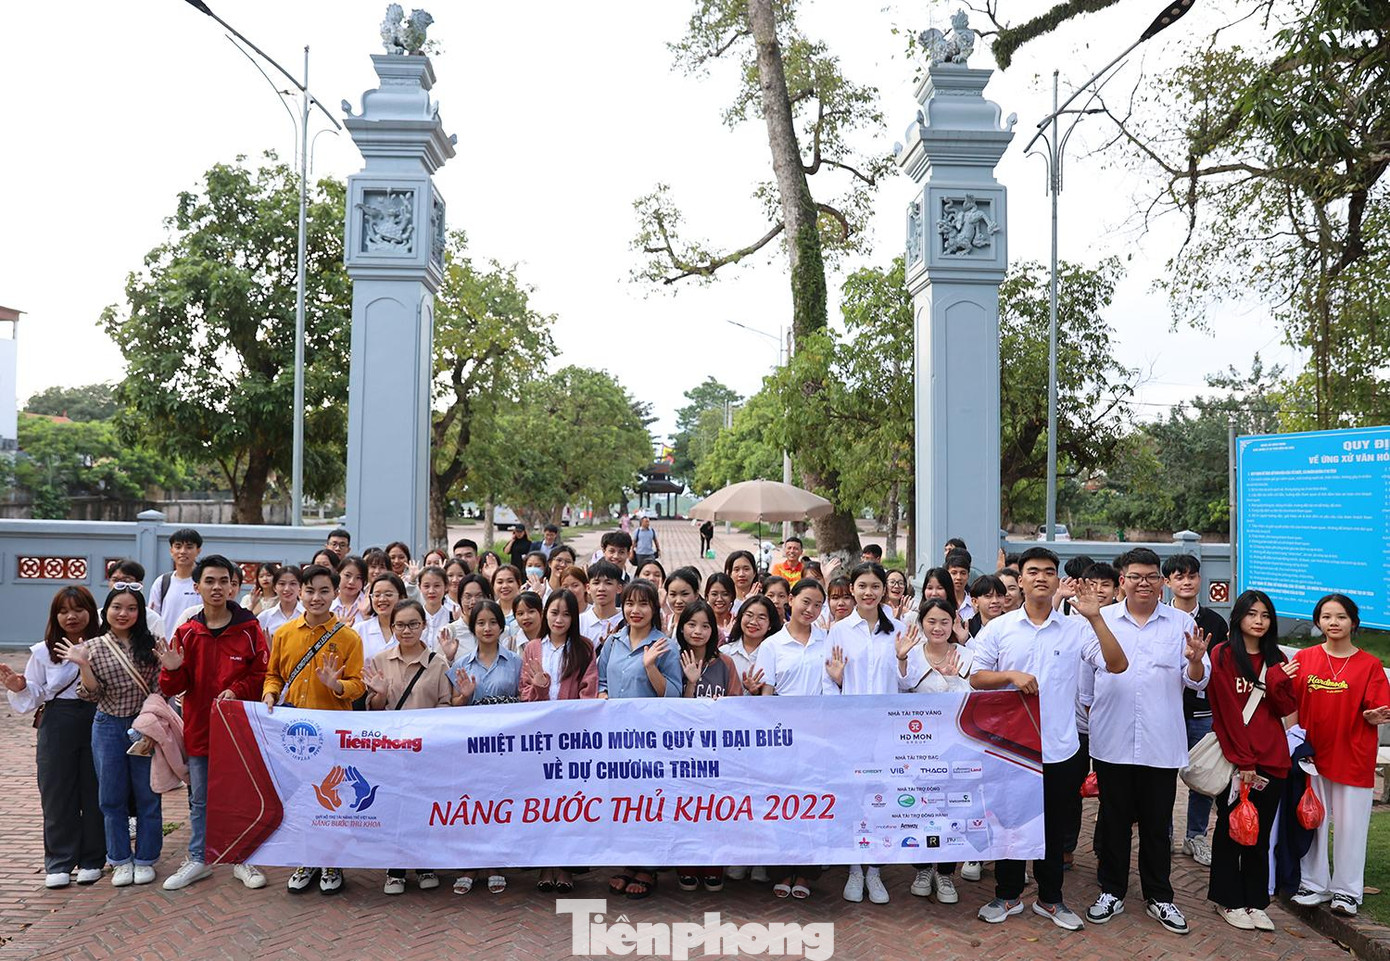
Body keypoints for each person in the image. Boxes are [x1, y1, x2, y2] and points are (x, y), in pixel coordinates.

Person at [969, 546, 1128, 931]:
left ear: (1058, 580)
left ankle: (1050, 899)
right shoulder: (1000, 628)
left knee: (1053, 829)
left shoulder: (1076, 629)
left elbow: (1117, 664)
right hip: (1011, 748)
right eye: (1033, 571)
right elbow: (975, 677)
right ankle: (1008, 895)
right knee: (1010, 824)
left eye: (1049, 571)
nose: (1041, 577)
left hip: (1060, 748)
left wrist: (1095, 618)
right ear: (1019, 581)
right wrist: (1010, 676)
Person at [157, 555, 269, 892]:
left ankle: (243, 857)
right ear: (197, 587)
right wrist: (172, 669)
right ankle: (199, 858)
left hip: (239, 730)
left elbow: (261, 674)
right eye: (210, 581)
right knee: (201, 798)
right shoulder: (187, 633)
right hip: (201, 727)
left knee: (241, 795)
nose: (217, 587)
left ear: (233, 586)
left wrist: (237, 690)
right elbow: (172, 688)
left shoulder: (249, 629)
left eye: (224, 581)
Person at [824, 562, 926, 905]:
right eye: (862, 586)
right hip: (850, 729)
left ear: (884, 590)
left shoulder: (898, 629)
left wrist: (902, 659)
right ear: (852, 589)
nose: (868, 592)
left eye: (875, 586)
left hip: (886, 730)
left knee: (882, 799)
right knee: (854, 798)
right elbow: (828, 683)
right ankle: (855, 868)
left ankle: (876, 870)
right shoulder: (839, 630)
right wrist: (839, 679)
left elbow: (909, 683)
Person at [262, 563, 364, 894]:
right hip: (294, 734)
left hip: (332, 733)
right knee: (300, 798)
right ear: (300, 593)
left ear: (335, 593)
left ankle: (332, 862)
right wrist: (270, 693)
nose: (316, 597)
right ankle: (307, 859)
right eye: (309, 590)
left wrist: (337, 685)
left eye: (324, 591)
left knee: (332, 799)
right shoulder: (284, 634)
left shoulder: (349, 638)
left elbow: (358, 685)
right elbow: (274, 674)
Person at [1289, 594, 1390, 916]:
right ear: (1318, 622)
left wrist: (1373, 715)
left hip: (1353, 754)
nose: (1334, 622)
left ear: (1354, 622)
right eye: (1327, 616)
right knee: (1312, 820)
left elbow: (1378, 707)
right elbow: (1289, 702)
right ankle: (1313, 884)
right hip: (1312, 756)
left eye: (1341, 617)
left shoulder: (1369, 665)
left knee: (1351, 826)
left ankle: (1347, 892)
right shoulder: (1304, 658)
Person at [0, 587, 104, 888]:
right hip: (58, 721)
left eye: (78, 609)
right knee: (56, 791)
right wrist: (20, 686)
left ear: (90, 611)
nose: (71, 616)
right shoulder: (43, 652)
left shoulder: (103, 646)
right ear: (55, 616)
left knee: (94, 789)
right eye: (63, 611)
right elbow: (35, 693)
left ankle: (93, 859)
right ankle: (60, 860)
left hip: (98, 718)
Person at [1205, 590, 1297, 930]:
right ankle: (1227, 899)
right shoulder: (1223, 655)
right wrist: (1244, 761)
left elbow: (1285, 708)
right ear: (1238, 617)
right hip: (1238, 760)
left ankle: (1256, 901)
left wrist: (1277, 680)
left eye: (1265, 615)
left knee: (1259, 834)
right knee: (1231, 831)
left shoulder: (1278, 657)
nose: (1259, 621)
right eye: (1252, 614)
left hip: (1273, 759)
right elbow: (1226, 712)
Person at [66, 586, 164, 887]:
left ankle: (146, 858)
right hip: (108, 726)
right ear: (106, 611)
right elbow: (90, 694)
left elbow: (161, 689)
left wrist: (150, 724)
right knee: (111, 797)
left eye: (131, 608)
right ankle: (120, 859)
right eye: (117, 607)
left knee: (148, 795)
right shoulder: (92, 647)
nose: (123, 614)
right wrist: (84, 665)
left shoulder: (151, 644)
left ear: (140, 613)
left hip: (144, 725)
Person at [361, 599, 455, 896]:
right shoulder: (379, 661)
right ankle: (395, 868)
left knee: (423, 806)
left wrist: (426, 729)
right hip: (391, 750)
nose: (406, 630)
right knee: (394, 806)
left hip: (426, 750)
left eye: (413, 624)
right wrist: (379, 695)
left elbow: (445, 704)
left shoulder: (438, 663)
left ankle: (424, 864)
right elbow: (373, 710)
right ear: (392, 627)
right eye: (400, 625)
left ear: (423, 626)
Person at [599, 579, 683, 900]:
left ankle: (648, 866)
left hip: (650, 740)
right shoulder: (613, 642)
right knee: (623, 802)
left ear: (654, 609)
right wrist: (603, 696)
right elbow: (603, 680)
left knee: (649, 802)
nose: (636, 610)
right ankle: (627, 862)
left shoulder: (665, 646)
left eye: (643, 604)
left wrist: (650, 668)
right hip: (615, 739)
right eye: (630, 603)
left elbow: (673, 695)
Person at [750, 578, 831, 899]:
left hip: (817, 734)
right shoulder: (772, 645)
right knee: (782, 804)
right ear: (791, 600)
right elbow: (766, 694)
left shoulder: (827, 641)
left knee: (813, 804)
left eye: (817, 605)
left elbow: (833, 687)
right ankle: (782, 870)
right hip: (782, 736)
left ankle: (807, 874)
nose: (810, 609)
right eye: (805, 601)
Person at [522, 589, 598, 893]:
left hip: (571, 739)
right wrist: (540, 688)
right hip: (540, 739)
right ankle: (546, 864)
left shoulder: (584, 647)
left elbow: (589, 690)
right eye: (554, 612)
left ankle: (565, 865)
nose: (559, 619)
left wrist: (572, 723)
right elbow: (524, 695)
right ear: (545, 614)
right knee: (542, 803)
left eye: (566, 614)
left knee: (568, 804)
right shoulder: (532, 648)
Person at [1162, 553, 1230, 868]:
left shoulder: (1215, 622)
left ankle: (1196, 836)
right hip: (1165, 711)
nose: (1186, 582)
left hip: (1203, 713)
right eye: (1179, 576)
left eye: (1192, 576)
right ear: (1168, 582)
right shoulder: (1159, 619)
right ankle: (1163, 835)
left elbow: (1222, 670)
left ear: (1200, 579)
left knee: (1203, 775)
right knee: (1162, 778)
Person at [903, 598, 973, 905]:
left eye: (944, 621)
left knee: (949, 810)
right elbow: (899, 693)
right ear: (921, 623)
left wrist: (952, 678)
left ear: (953, 623)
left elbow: (971, 701)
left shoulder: (966, 656)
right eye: (931, 621)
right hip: (916, 747)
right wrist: (901, 660)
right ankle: (922, 869)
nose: (938, 628)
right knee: (918, 809)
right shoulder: (910, 653)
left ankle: (945, 872)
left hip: (955, 747)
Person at [450, 598, 522, 895]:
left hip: (505, 746)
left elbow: (525, 702)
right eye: (481, 623)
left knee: (499, 803)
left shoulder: (516, 662)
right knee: (472, 803)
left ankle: (494, 863)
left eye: (493, 622)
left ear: (502, 626)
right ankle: (470, 863)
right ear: (473, 627)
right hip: (472, 747)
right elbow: (451, 709)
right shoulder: (460, 665)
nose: (487, 628)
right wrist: (465, 696)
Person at [675, 598, 743, 894]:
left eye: (705, 626)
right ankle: (687, 863)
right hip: (682, 750)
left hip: (717, 751)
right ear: (681, 627)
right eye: (691, 624)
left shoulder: (725, 663)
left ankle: (714, 863)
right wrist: (691, 684)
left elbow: (736, 703)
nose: (698, 631)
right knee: (685, 808)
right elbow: (668, 708)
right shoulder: (672, 659)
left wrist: (722, 707)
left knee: (714, 808)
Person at [719, 595, 781, 886]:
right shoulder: (724, 651)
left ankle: (761, 860)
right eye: (749, 615)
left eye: (762, 617)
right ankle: (738, 856)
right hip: (732, 739)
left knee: (763, 800)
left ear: (771, 624)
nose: (754, 622)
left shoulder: (776, 650)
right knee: (736, 799)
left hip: (767, 738)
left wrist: (757, 693)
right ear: (739, 617)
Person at [148, 528, 203, 626]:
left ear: (198, 550)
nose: (183, 551)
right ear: (171, 551)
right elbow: (153, 618)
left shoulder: (204, 582)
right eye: (178, 547)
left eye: (189, 547)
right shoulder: (162, 582)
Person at [109, 559, 166, 642]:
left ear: (139, 585)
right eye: (115, 580)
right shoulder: (99, 615)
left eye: (126, 580)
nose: (120, 585)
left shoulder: (153, 619)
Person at [355, 573, 406, 662]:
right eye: (377, 595)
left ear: (401, 598)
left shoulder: (412, 629)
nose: (382, 599)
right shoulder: (359, 630)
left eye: (388, 594)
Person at [580, 561, 625, 647]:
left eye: (608, 583)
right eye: (596, 583)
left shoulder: (627, 621)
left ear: (619, 588)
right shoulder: (580, 622)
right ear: (588, 588)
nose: (601, 588)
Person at [491, 564, 525, 650]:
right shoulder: (489, 612)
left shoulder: (527, 611)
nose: (505, 586)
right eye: (500, 582)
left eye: (510, 581)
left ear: (519, 584)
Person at [417, 566, 454, 640]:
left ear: (446, 586)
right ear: (419, 587)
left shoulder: (452, 617)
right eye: (426, 586)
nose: (431, 591)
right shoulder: (415, 617)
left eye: (437, 586)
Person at [663, 567, 702, 635]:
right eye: (673, 594)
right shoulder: (663, 623)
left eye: (684, 594)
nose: (678, 601)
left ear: (696, 595)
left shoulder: (705, 625)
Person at [704, 571, 737, 644]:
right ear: (707, 596)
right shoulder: (701, 623)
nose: (719, 599)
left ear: (732, 596)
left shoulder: (739, 623)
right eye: (714, 594)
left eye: (725, 594)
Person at [945, 549, 974, 622]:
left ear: (968, 576)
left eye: (963, 573)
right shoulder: (942, 601)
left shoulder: (974, 603)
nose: (958, 577)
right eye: (954, 573)